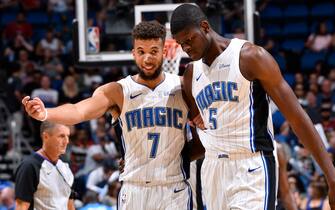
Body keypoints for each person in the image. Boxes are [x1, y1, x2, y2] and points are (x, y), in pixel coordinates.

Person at [22, 21, 204, 210]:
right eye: (141, 51)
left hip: (174, 189)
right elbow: (79, 111)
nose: (147, 58)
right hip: (135, 189)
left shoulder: (183, 87)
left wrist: (185, 150)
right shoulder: (118, 91)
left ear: (164, 53)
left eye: (154, 51)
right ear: (133, 53)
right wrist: (46, 113)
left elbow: (208, 125)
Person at [170, 3, 335, 210]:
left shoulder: (250, 57)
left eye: (189, 40)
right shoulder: (190, 75)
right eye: (180, 44)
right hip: (213, 170)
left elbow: (297, 118)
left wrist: (331, 176)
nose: (186, 48)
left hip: (251, 165)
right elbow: (204, 138)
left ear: (204, 26)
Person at [14, 121, 75, 210]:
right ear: (46, 136)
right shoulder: (29, 166)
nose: (67, 141)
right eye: (61, 136)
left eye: (68, 136)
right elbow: (21, 207)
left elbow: (70, 206)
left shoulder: (66, 167)